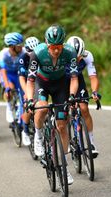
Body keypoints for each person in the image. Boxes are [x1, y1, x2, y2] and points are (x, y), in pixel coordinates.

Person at [26, 25, 78, 184]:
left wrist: (71, 96)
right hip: (42, 83)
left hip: (61, 85)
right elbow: (30, 81)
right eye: (53, 47)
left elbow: (74, 78)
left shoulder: (70, 52)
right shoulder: (38, 53)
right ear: (47, 44)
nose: (56, 51)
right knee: (41, 108)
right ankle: (38, 136)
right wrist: (29, 100)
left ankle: (63, 167)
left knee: (62, 124)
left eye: (59, 47)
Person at [66, 36, 100, 157]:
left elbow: (93, 77)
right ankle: (68, 139)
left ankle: (91, 143)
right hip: (63, 80)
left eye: (80, 56)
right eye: (75, 57)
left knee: (84, 109)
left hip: (78, 80)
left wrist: (94, 92)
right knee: (64, 113)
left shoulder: (87, 55)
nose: (78, 59)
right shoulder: (62, 55)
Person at [18, 36, 40, 146]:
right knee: (28, 104)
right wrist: (26, 92)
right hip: (26, 82)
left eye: (35, 51)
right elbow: (22, 78)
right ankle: (25, 130)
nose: (33, 54)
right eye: (31, 51)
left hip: (38, 81)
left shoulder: (42, 55)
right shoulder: (23, 58)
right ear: (26, 50)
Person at [0, 32, 26, 124]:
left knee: (23, 94)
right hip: (8, 74)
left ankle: (21, 112)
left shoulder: (24, 52)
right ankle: (9, 107)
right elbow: (3, 71)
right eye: (19, 45)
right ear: (11, 46)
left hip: (19, 74)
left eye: (22, 44)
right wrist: (7, 87)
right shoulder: (3, 53)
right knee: (10, 89)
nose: (21, 47)